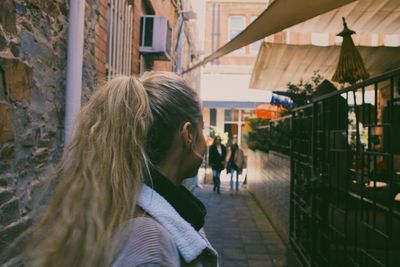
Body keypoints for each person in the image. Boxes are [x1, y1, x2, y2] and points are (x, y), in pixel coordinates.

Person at [26, 72, 218, 267]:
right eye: (202, 129)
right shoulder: (149, 243)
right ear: (188, 135)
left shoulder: (122, 204)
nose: (206, 142)